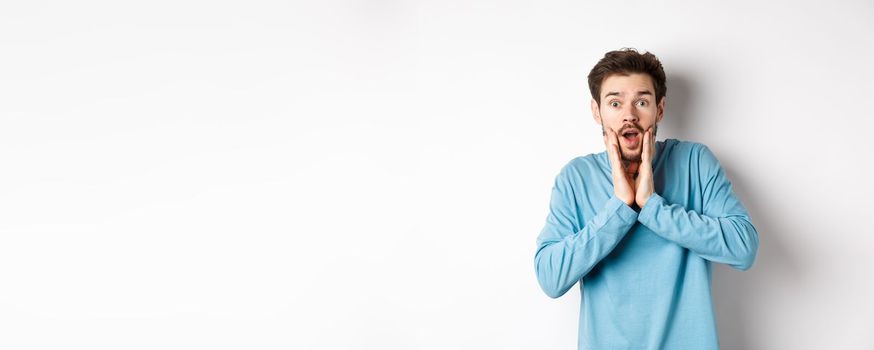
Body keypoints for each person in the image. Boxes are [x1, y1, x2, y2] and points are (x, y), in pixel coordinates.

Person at [533, 48, 759, 349]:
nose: (629, 115)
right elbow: (551, 277)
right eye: (615, 103)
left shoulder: (695, 162)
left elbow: (744, 248)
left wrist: (653, 206)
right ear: (597, 111)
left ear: (660, 109)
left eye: (642, 102)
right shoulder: (576, 177)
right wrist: (620, 206)